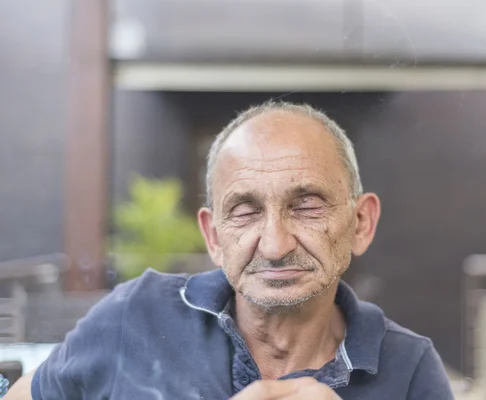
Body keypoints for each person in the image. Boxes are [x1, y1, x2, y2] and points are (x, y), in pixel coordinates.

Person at [6, 102, 454, 399]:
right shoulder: (136, 316)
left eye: (307, 206)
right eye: (244, 211)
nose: (275, 245)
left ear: (360, 223)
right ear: (214, 236)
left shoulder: (408, 368)